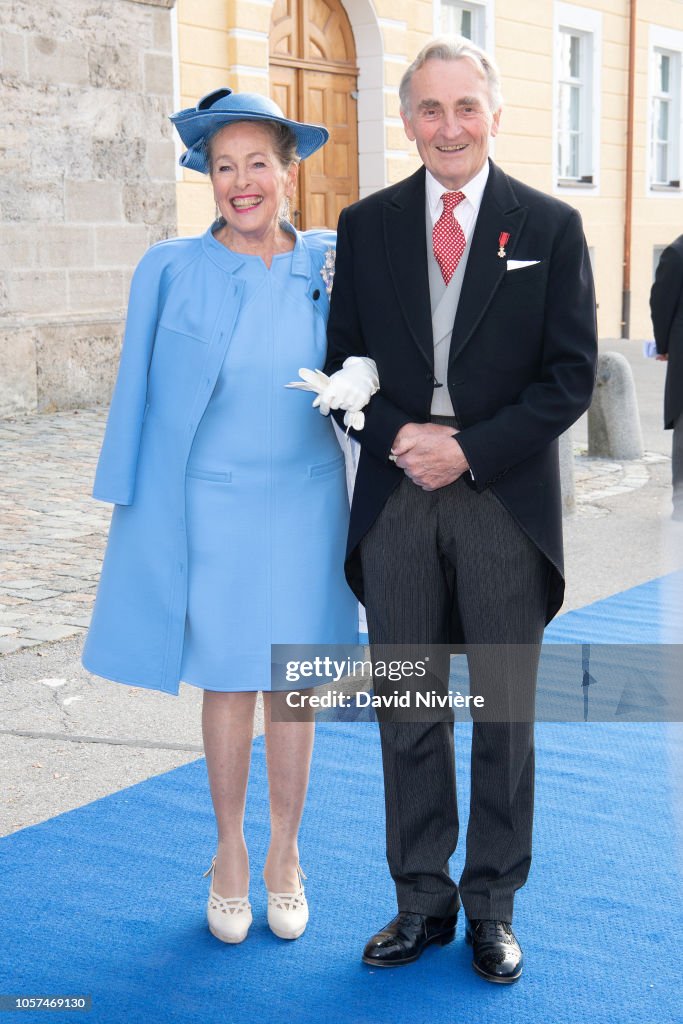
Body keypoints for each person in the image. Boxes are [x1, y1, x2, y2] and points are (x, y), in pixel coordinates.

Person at [323, 37, 598, 982]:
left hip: (501, 501)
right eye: (430, 110)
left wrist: (469, 449)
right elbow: (345, 361)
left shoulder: (551, 227)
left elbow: (568, 377)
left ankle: (491, 907)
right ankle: (420, 903)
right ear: (407, 121)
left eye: (465, 108)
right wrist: (404, 437)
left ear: (493, 113)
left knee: (503, 713)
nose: (449, 127)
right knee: (408, 708)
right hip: (397, 492)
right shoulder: (367, 226)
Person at [81, 89, 360, 945]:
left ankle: (286, 853)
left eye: (258, 164)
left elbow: (383, 341)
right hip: (211, 502)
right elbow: (135, 389)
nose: (242, 182)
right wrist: (129, 496)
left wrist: (369, 377)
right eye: (224, 166)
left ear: (288, 170)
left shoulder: (332, 261)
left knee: (293, 680)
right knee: (231, 676)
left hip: (309, 499)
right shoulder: (167, 267)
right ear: (207, 175)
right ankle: (229, 853)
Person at [650, 234, 683, 521]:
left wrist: (663, 345)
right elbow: (662, 302)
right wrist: (663, 345)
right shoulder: (676, 252)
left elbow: (661, 302)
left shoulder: (676, 251)